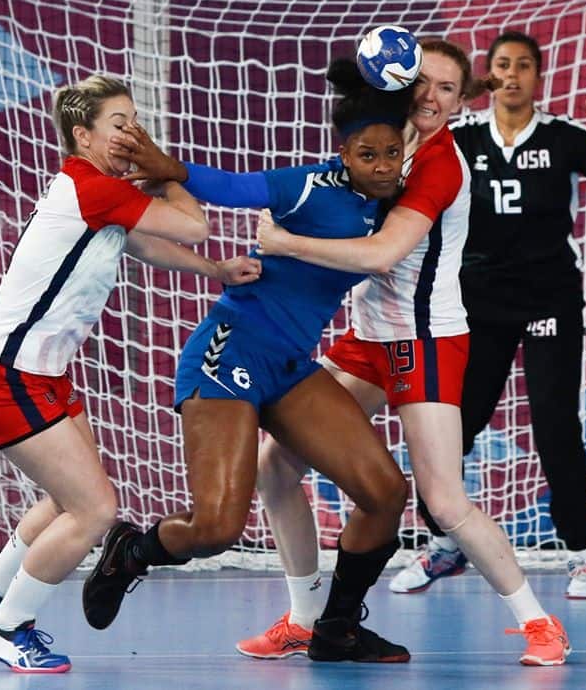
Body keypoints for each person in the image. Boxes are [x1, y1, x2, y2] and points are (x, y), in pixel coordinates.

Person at [240, 37, 571, 667]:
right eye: (423, 81)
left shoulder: (442, 164)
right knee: (274, 463)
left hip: (425, 341)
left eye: (447, 88)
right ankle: (305, 619)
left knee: (443, 499)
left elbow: (383, 254)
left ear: (460, 100)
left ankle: (539, 624)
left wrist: (284, 243)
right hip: (368, 338)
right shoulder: (383, 136)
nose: (430, 95)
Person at [80, 58, 418, 663]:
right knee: (215, 531)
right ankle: (132, 550)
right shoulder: (311, 184)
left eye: (392, 153)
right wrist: (172, 169)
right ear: (345, 155)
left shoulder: (395, 202)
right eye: (368, 155)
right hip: (229, 353)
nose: (384, 166)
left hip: (289, 366)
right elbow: (237, 187)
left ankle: (335, 629)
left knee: (385, 491)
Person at [0, 74, 262, 674]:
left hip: (42, 372)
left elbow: (144, 244)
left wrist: (214, 272)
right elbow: (191, 223)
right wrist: (168, 169)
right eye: (120, 124)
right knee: (94, 511)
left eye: (135, 120)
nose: (133, 133)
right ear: (83, 135)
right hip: (4, 376)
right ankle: (6, 627)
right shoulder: (94, 187)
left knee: (71, 495)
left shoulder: (100, 193)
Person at [394, 30, 586, 599]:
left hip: (549, 300)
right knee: (451, 427)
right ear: (487, 78)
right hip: (476, 303)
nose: (512, 75)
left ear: (538, 77)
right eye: (502, 66)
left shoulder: (564, 137)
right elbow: (403, 167)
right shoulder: (461, 136)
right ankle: (444, 547)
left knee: (556, 426)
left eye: (523, 66)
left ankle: (581, 556)